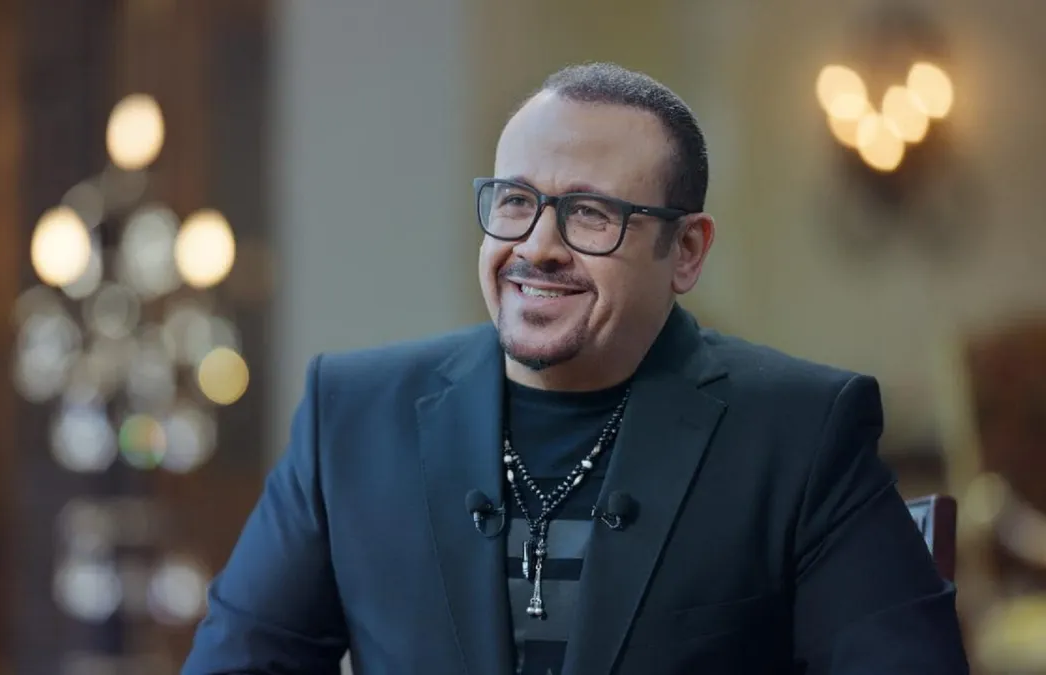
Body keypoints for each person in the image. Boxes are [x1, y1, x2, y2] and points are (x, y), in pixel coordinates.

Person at [182, 62, 969, 674]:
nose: (537, 246)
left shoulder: (803, 431)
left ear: (686, 250)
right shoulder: (350, 416)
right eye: (515, 202)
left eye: (591, 213)